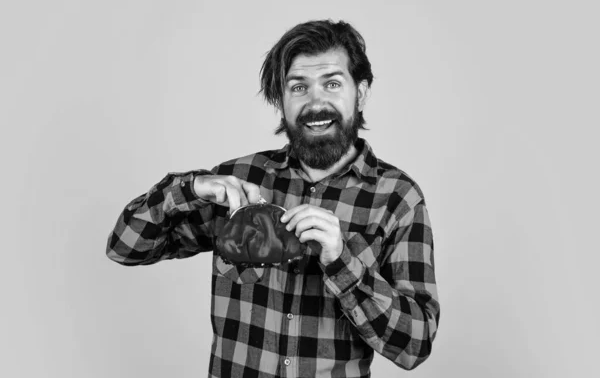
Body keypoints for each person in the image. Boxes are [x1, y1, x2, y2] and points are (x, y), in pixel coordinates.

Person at [107, 19, 440, 378]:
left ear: (360, 92)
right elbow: (125, 247)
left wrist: (341, 262)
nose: (315, 102)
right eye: (298, 87)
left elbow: (415, 346)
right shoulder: (239, 181)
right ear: (280, 99)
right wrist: (189, 189)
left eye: (332, 83)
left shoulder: (397, 198)